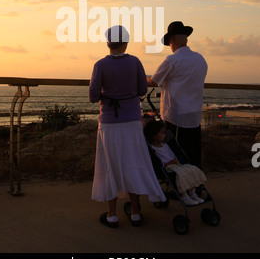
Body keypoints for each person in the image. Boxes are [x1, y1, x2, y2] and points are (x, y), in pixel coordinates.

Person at [89, 25, 166, 228]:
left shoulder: (100, 65)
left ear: (108, 43)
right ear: (126, 43)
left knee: (110, 165)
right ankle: (135, 212)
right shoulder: (135, 62)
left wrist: (108, 94)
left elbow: (92, 96)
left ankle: (112, 214)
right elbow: (142, 89)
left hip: (109, 123)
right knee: (132, 164)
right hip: (132, 121)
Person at [147, 21, 208, 168]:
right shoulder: (200, 59)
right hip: (194, 115)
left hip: (175, 116)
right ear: (186, 38)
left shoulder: (172, 60)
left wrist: (141, 78)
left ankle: (181, 185)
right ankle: (196, 184)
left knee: (176, 154)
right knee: (193, 153)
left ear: (172, 40)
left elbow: (154, 81)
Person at [144, 119, 206, 206]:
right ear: (154, 136)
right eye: (162, 133)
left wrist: (174, 160)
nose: (165, 135)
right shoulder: (153, 149)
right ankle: (184, 195)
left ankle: (193, 193)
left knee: (192, 169)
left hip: (175, 164)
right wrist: (167, 163)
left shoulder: (165, 145)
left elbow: (172, 155)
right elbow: (157, 162)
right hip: (167, 168)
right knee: (181, 174)